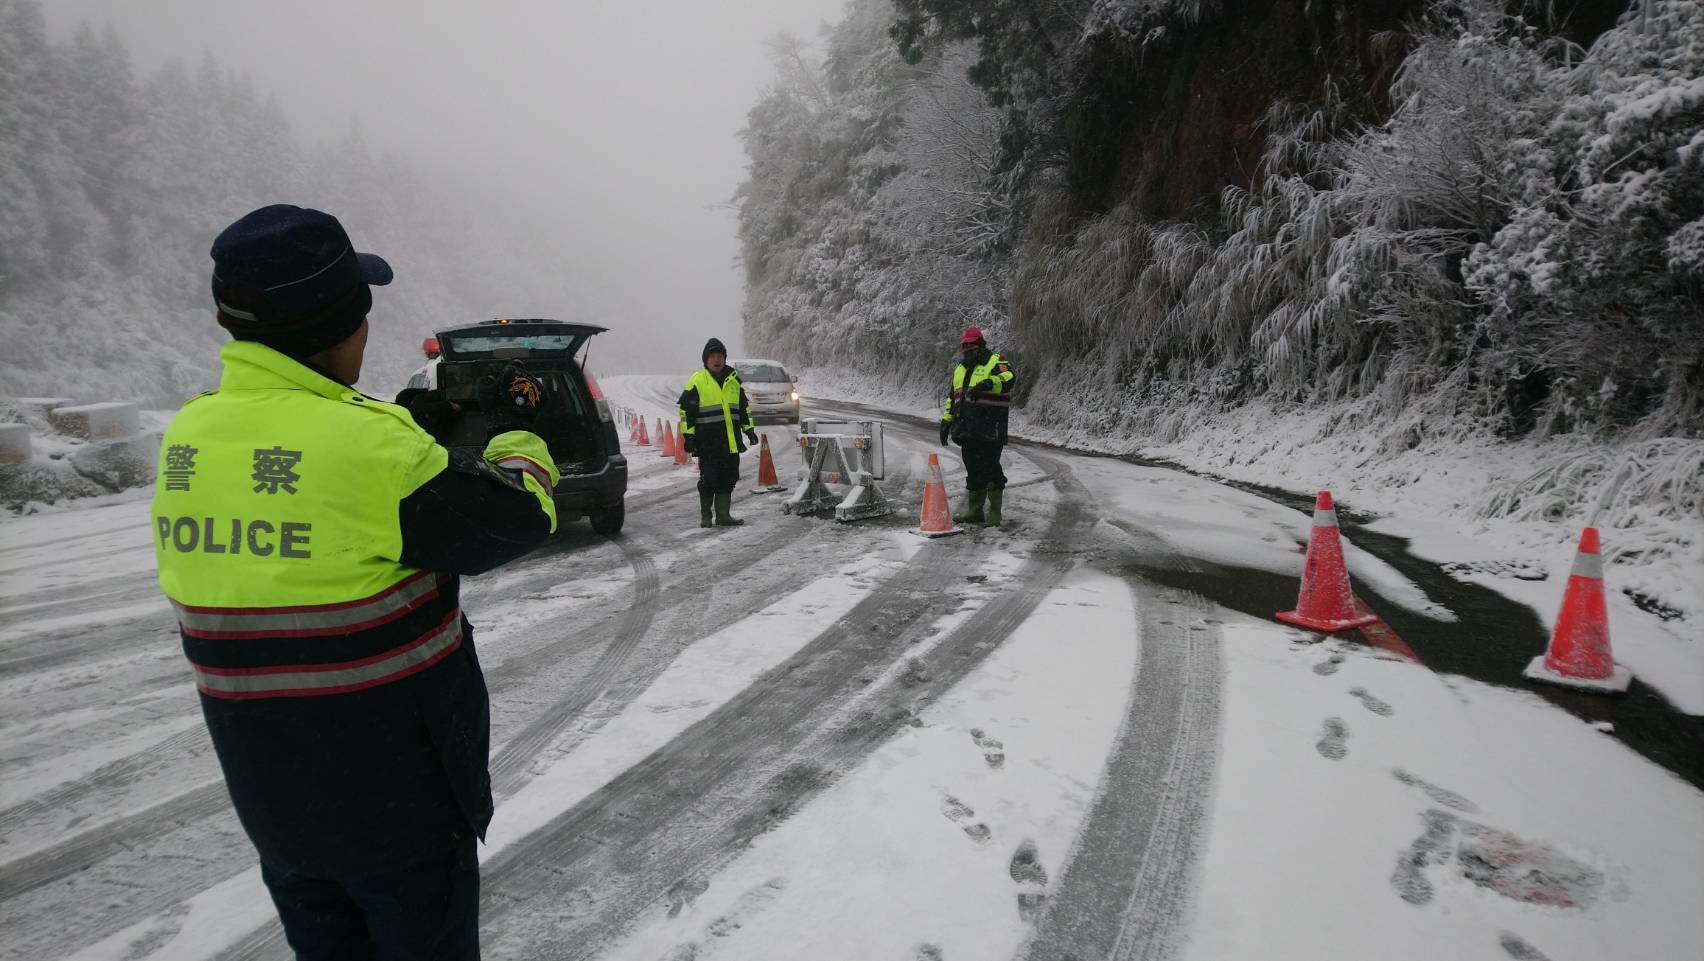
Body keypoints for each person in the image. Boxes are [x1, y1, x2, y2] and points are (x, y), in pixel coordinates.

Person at [151, 204, 560, 961]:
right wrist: (513, 429)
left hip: (279, 816)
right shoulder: (377, 452)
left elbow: (320, 481)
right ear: (339, 323)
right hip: (401, 819)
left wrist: (412, 418)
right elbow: (517, 517)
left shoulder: (189, 438)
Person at [939, 326, 1016, 526]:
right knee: (973, 470)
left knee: (991, 468)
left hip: (990, 427)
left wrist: (988, 384)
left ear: (980, 344)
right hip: (966, 430)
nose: (967, 350)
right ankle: (975, 511)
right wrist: (947, 420)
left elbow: (1009, 378)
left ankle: (995, 513)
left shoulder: (996, 360)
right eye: (964, 347)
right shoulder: (960, 369)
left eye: (970, 346)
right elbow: (953, 398)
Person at [678, 337, 757, 527]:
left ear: (724, 358)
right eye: (712, 356)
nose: (716, 360)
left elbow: (743, 409)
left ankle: (723, 516)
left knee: (729, 479)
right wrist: (688, 436)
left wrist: (750, 430)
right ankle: (706, 516)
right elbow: (686, 411)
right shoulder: (697, 380)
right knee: (709, 480)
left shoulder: (734, 381)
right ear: (706, 360)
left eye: (720, 356)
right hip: (708, 444)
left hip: (730, 443)